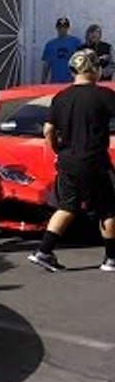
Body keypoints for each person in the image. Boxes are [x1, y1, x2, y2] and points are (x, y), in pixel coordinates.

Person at [28, 49, 115, 272]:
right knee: (108, 209)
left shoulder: (61, 97)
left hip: (67, 161)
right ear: (95, 69)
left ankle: (44, 251)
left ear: (72, 71)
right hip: (96, 161)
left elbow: (48, 129)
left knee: (67, 207)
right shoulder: (105, 96)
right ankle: (111, 259)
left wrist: (57, 149)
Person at [41, 16, 81, 84]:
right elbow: (46, 66)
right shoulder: (50, 45)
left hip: (72, 82)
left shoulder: (76, 42)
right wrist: (43, 82)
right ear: (56, 28)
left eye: (65, 27)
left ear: (68, 28)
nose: (62, 29)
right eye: (60, 27)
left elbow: (81, 63)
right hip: (55, 82)